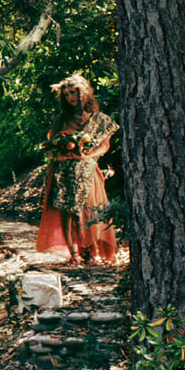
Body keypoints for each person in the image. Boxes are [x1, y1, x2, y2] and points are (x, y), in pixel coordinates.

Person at [38, 72, 120, 265]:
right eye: (66, 94)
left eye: (73, 92)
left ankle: (90, 251)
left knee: (89, 210)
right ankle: (73, 253)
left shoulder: (100, 119)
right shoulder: (62, 119)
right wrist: (58, 154)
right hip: (65, 171)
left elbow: (105, 146)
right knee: (68, 212)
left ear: (82, 92)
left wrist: (87, 156)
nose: (70, 97)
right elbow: (52, 144)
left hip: (88, 170)